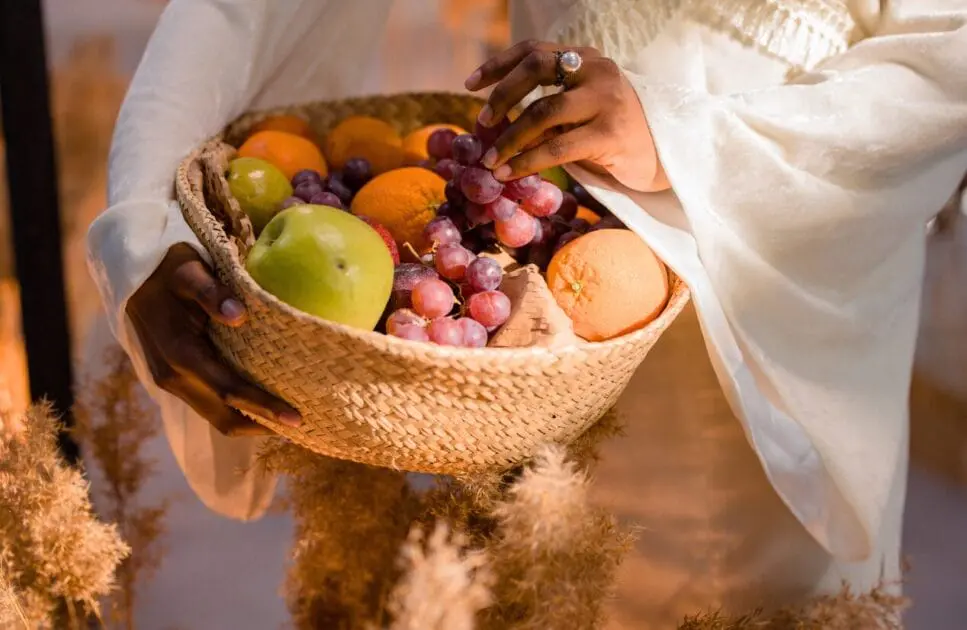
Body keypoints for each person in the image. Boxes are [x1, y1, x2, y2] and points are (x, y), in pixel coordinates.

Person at [86, 0, 967, 625]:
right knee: (541, 581)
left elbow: (948, 57)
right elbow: (240, 10)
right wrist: (142, 224)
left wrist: (683, 138)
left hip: (783, 321)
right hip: (526, 322)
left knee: (750, 595)